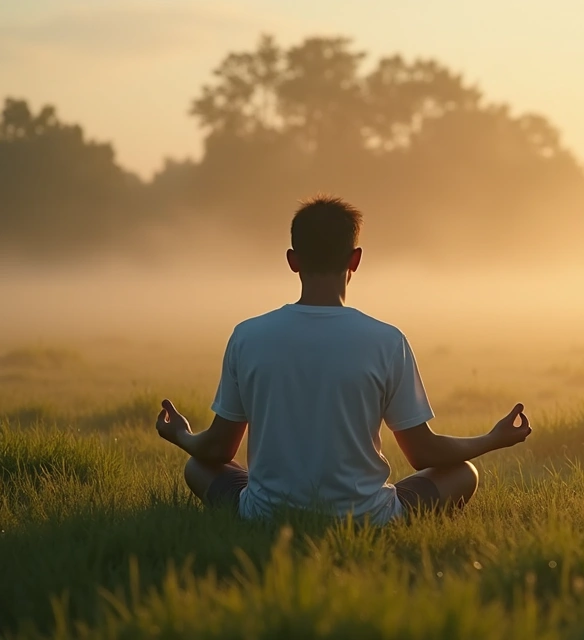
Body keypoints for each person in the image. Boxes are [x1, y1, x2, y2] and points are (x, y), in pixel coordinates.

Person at [153, 195, 531, 524]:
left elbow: (218, 450)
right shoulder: (386, 340)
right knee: (464, 474)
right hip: (368, 519)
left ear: (292, 260)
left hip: (264, 516)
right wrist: (493, 438)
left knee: (197, 465)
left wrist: (181, 434)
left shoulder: (248, 336)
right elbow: (424, 454)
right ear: (356, 259)